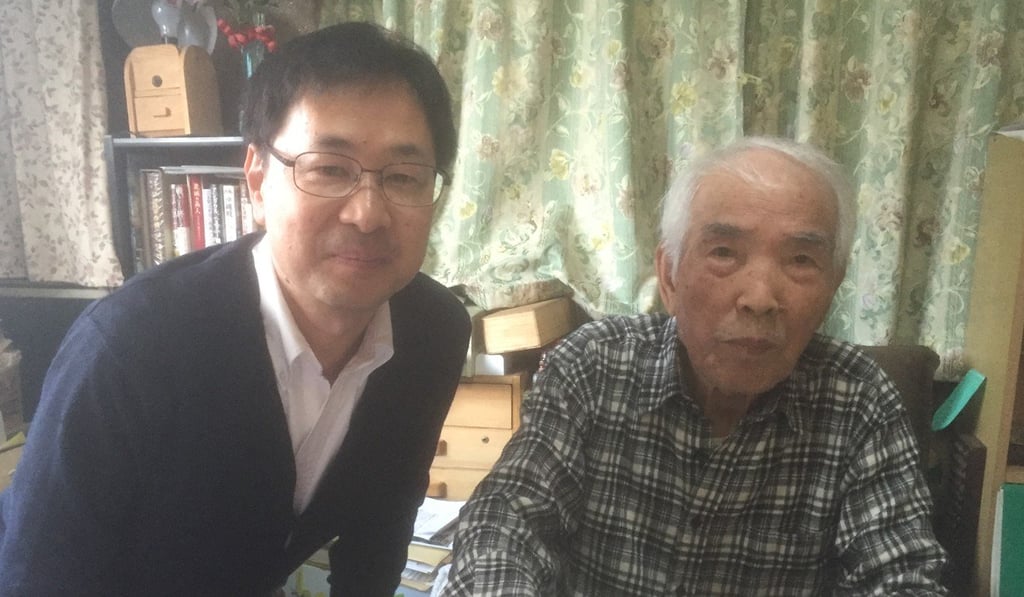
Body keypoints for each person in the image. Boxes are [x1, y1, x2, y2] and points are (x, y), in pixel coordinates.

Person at [0, 22, 470, 596]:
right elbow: (37, 576)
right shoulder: (131, 346)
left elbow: (384, 524)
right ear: (255, 181)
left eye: (403, 176)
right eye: (328, 168)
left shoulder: (433, 332)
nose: (367, 214)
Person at [442, 137, 948, 595]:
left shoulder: (859, 401)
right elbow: (506, 521)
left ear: (833, 285)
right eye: (725, 252)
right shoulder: (592, 366)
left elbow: (902, 575)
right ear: (669, 276)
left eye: (800, 261)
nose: (760, 297)